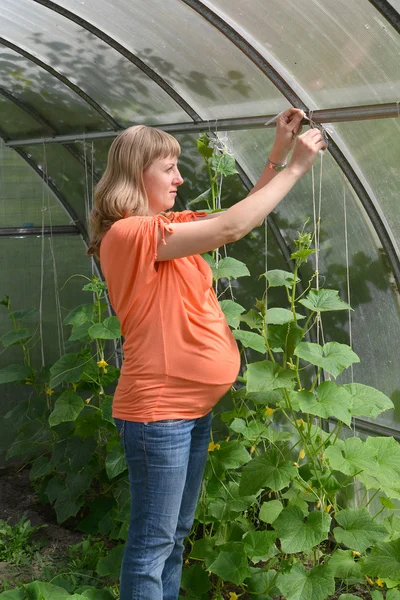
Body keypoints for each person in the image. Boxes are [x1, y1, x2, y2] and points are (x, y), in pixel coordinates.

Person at [87, 108, 326, 600]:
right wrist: (299, 168)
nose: (179, 177)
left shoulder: (163, 228)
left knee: (173, 538)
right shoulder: (129, 235)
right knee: (153, 544)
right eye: (168, 168)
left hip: (189, 412)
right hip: (160, 414)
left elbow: (230, 216)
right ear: (137, 175)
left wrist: (279, 154)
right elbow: (229, 231)